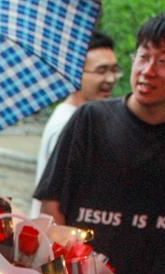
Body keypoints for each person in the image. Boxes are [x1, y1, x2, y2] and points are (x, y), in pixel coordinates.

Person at [34, 10, 165, 274]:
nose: (148, 70)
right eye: (143, 57)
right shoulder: (90, 120)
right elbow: (52, 207)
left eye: (164, 61)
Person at [31, 31, 120, 217]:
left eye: (114, 70)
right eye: (101, 71)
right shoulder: (67, 123)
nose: (111, 79)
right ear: (77, 73)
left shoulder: (84, 119)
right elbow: (57, 202)